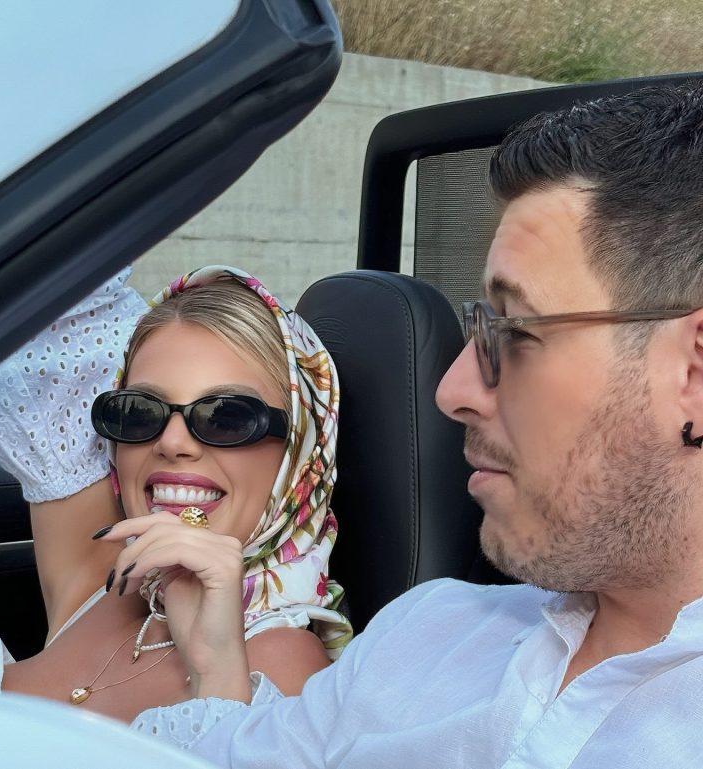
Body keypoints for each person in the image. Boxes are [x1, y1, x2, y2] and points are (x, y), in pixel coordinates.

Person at [129, 83, 703, 767]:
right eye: (478, 327)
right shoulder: (422, 632)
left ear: (694, 374)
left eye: (515, 332)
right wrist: (217, 663)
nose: (452, 390)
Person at [0, 265, 352, 722]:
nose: (172, 442)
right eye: (139, 411)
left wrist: (215, 670)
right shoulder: (107, 577)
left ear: (302, 455)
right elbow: (43, 280)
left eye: (226, 417)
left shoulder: (285, 661)